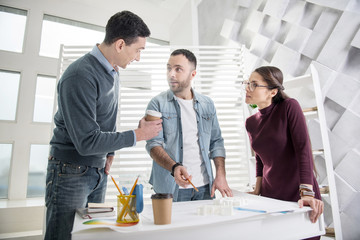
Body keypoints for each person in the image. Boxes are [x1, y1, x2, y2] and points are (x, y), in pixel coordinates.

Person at [45, 11, 162, 240]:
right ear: (120, 44)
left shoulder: (113, 71)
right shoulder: (80, 75)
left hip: (97, 170)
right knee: (64, 236)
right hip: (70, 172)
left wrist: (109, 152)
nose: (138, 57)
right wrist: (139, 134)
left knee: (90, 235)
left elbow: (104, 119)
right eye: (138, 50)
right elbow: (87, 141)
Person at [243, 66, 324, 238]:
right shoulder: (250, 122)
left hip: (299, 192)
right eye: (247, 83)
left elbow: (303, 149)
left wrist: (307, 193)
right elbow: (260, 158)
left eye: (254, 84)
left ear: (272, 92)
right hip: (270, 195)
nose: (247, 88)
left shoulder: (289, 107)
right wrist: (258, 190)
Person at [145, 49, 233, 202]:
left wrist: (220, 175)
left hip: (205, 187)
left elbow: (216, 141)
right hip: (170, 188)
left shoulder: (207, 104)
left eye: (178, 69)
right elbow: (153, 145)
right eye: (169, 68)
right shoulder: (157, 103)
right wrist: (174, 167)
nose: (171, 74)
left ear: (193, 74)